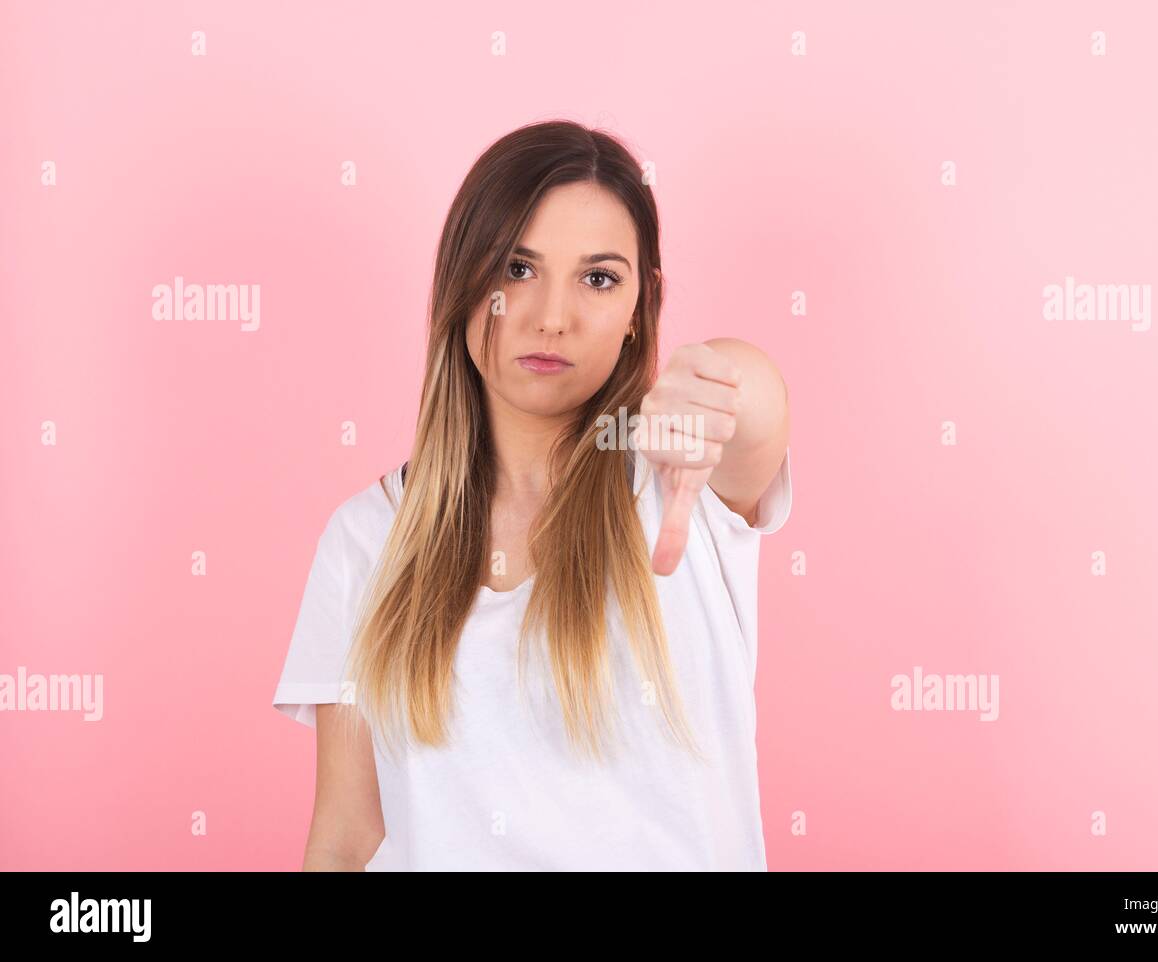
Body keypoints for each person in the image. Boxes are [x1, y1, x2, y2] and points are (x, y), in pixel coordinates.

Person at [272, 119, 793, 870]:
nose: (552, 315)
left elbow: (754, 404)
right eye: (517, 268)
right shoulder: (366, 538)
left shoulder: (680, 481)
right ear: (463, 281)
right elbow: (348, 840)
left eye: (599, 278)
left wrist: (719, 389)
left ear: (640, 309)